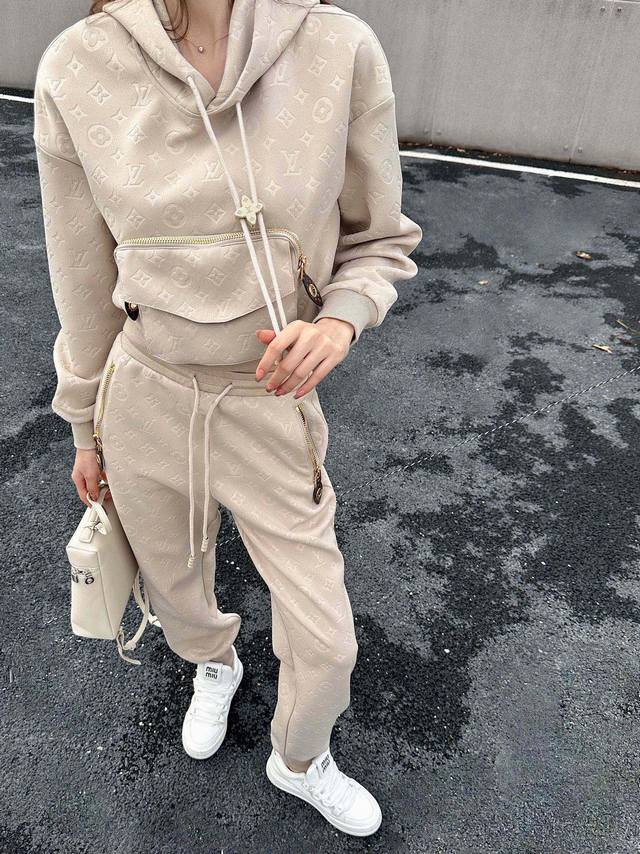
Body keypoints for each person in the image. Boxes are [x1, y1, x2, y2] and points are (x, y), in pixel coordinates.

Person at [32, 0, 422, 837]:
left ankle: (300, 758)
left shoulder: (337, 47)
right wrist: (84, 427)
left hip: (266, 395)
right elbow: (80, 276)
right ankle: (214, 663)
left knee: (327, 638)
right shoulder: (76, 65)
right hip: (144, 390)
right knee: (174, 583)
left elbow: (380, 239)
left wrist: (341, 320)